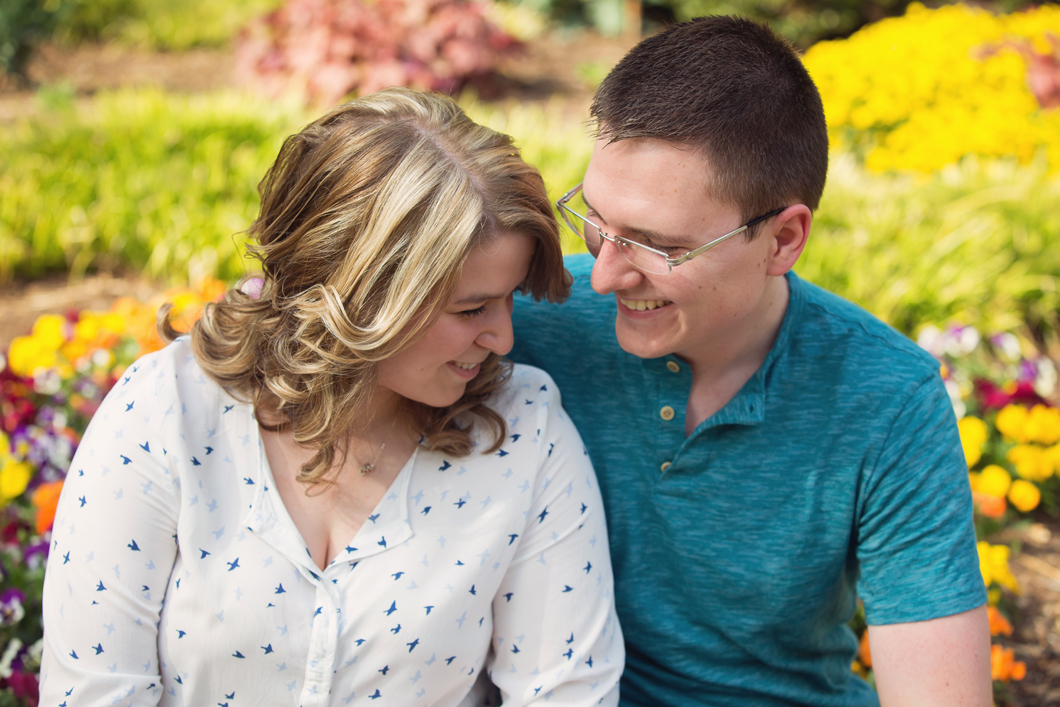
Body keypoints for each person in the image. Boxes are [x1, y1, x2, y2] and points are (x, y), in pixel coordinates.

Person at [40, 88, 623, 707]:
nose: (504, 338)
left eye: (509, 299)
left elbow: (567, 694)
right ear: (359, 295)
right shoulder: (167, 413)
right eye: (471, 309)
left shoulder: (523, 433)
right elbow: (93, 691)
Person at [509, 16, 990, 707]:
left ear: (784, 239)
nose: (606, 275)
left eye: (657, 245)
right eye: (596, 219)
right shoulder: (521, 321)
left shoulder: (888, 399)